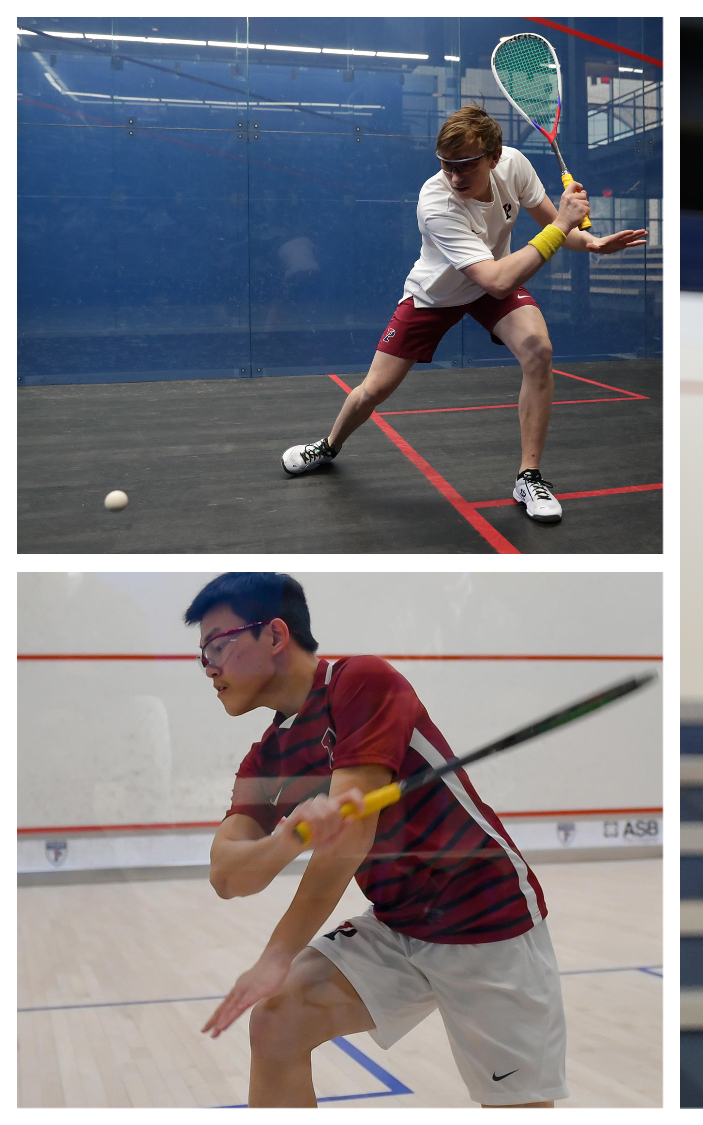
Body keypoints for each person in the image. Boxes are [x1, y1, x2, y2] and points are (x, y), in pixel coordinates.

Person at [190, 573, 565, 1107]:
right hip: (400, 921)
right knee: (277, 1024)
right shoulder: (266, 757)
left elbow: (349, 839)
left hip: (486, 916)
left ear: (274, 636)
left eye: (219, 645)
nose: (209, 667)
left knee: (519, 1109)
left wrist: (277, 955)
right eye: (202, 652)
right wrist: (289, 838)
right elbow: (227, 875)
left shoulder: (360, 681)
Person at [279, 104, 650, 524]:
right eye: (446, 166)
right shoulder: (436, 202)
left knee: (538, 350)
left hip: (495, 278)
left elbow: (553, 223)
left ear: (494, 157)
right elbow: (500, 276)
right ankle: (328, 446)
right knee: (373, 390)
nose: (455, 178)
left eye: (466, 167)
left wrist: (594, 244)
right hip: (438, 294)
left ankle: (529, 476)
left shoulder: (515, 165)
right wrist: (564, 225)